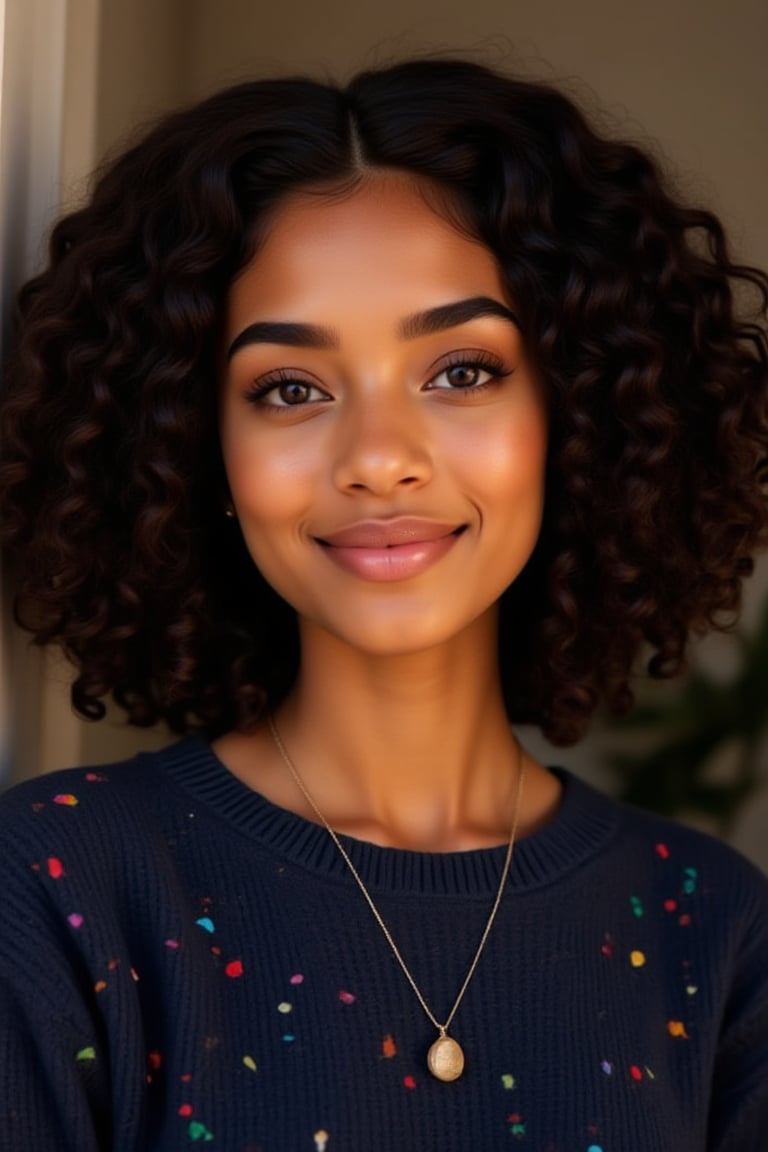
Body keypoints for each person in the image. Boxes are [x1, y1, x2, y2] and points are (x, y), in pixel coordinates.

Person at [0, 56, 766, 1152]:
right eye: (290, 389)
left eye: (460, 371)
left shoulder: (715, 929)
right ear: (191, 447)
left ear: (576, 411)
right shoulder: (56, 891)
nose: (378, 461)